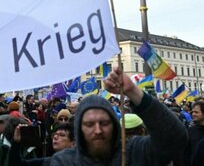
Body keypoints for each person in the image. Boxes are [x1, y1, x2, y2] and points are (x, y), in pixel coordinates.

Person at [49, 66, 188, 165]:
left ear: (115, 124)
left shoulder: (135, 151)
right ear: (79, 128)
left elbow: (175, 138)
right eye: (89, 124)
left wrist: (133, 91)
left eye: (104, 123)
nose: (98, 130)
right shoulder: (65, 161)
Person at [184, 100, 204, 166]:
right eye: (192, 112)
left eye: (196, 112)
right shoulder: (190, 130)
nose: (193, 114)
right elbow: (186, 152)